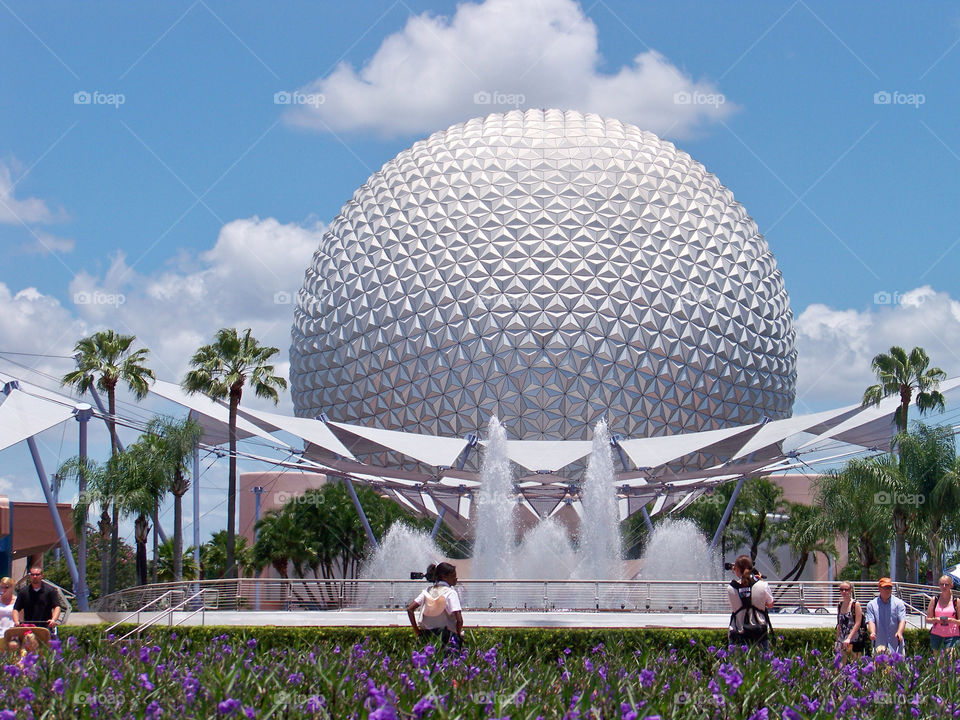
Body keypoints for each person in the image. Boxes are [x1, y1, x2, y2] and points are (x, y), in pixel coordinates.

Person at [406, 562, 463, 651]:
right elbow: (459, 620)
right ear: (444, 577)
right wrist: (458, 634)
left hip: (427, 636)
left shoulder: (428, 591)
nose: (456, 578)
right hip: (446, 636)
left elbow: (410, 609)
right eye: (453, 576)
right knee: (447, 663)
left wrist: (417, 631)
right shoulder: (450, 593)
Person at [726, 555, 774, 649]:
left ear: (737, 570)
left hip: (738, 632)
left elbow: (734, 607)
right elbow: (770, 604)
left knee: (737, 663)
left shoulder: (730, 589)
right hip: (759, 634)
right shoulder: (763, 585)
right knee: (763, 662)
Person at [866, 577, 906, 655]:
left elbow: (902, 620)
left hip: (896, 645)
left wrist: (899, 632)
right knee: (880, 667)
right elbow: (871, 621)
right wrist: (872, 632)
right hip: (879, 645)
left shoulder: (899, 603)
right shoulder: (871, 605)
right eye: (885, 587)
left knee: (897, 666)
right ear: (879, 588)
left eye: (890, 588)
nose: (888, 590)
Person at [12, 566, 60, 631]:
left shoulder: (50, 590)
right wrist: (16, 621)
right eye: (32, 574)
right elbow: (16, 609)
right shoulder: (23, 592)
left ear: (42, 575)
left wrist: (53, 619)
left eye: (37, 574)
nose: (34, 577)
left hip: (45, 627)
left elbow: (57, 607)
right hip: (28, 627)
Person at [925, 575, 959, 652]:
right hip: (936, 634)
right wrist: (936, 620)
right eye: (942, 584)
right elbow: (928, 619)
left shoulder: (956, 601)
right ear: (939, 585)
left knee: (949, 659)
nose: (944, 586)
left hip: (952, 635)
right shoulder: (934, 600)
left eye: (946, 584)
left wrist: (951, 620)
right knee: (938, 662)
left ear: (951, 585)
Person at [835, 581, 867, 660]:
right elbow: (839, 624)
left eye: (846, 589)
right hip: (842, 639)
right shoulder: (840, 605)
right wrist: (837, 640)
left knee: (854, 664)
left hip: (854, 640)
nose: (844, 592)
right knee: (840, 665)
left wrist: (849, 638)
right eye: (841, 590)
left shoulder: (855, 604)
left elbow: (858, 623)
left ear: (851, 590)